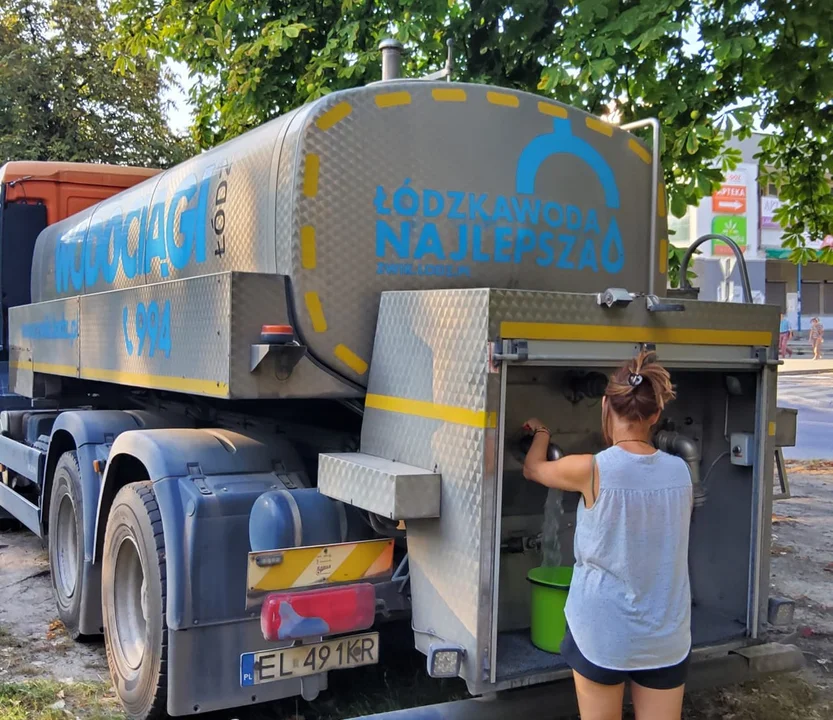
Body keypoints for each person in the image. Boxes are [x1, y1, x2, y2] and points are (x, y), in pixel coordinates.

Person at [523, 351, 692, 720]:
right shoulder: (681, 471)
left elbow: (534, 469)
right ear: (656, 415)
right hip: (664, 635)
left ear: (605, 405)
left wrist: (542, 433)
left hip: (601, 631)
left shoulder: (592, 469)